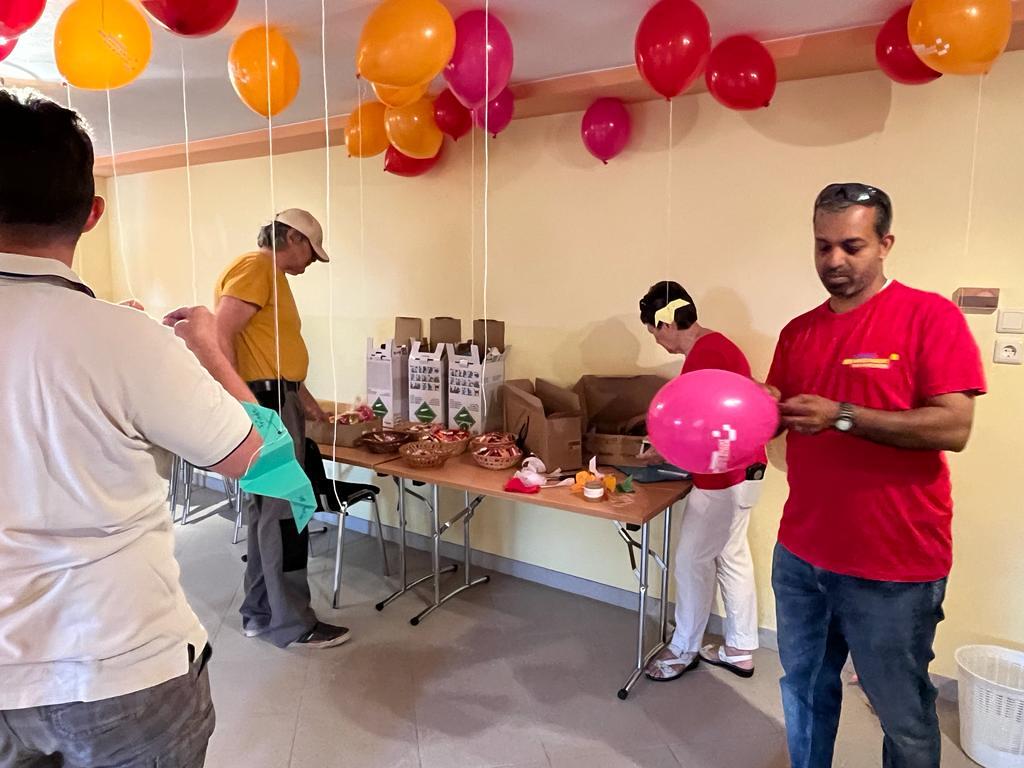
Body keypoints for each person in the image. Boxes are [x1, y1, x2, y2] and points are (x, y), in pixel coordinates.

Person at [0, 89, 263, 766]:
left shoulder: (120, 336)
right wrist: (209, 349)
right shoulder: (126, 338)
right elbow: (257, 461)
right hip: (121, 669)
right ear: (93, 213)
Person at [767, 183, 985, 768]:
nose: (834, 260)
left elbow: (954, 426)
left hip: (894, 564)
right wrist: (754, 408)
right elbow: (781, 413)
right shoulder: (797, 332)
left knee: (902, 715)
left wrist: (841, 415)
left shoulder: (930, 316)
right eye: (822, 246)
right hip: (801, 555)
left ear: (885, 244)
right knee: (804, 691)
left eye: (852, 246)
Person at [214, 209, 350, 649]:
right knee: (286, 513)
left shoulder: (270, 276)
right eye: (311, 251)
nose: (311, 262)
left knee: (266, 514)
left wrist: (303, 399)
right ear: (292, 238)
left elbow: (274, 353)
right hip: (265, 402)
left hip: (277, 398)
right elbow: (220, 332)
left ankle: (260, 613)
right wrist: (242, 403)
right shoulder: (257, 267)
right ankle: (292, 622)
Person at [639, 282, 767, 682]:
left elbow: (704, 425)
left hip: (724, 477)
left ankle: (683, 648)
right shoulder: (718, 347)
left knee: (691, 560)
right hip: (747, 470)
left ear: (666, 324)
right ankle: (739, 649)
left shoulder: (706, 356)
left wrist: (661, 449)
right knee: (731, 556)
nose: (658, 342)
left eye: (654, 332)